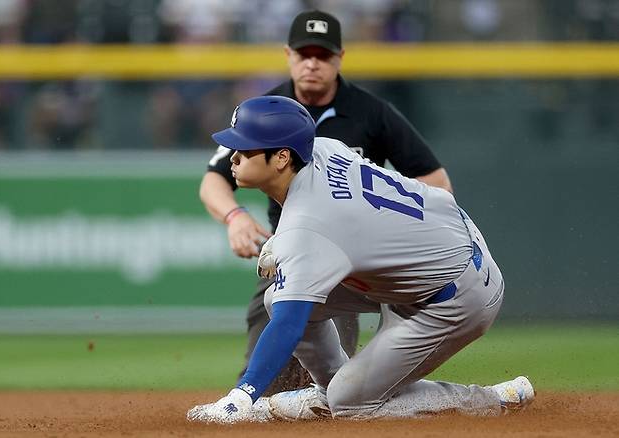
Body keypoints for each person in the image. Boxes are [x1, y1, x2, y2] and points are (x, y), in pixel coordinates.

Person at [188, 96, 534, 423]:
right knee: (275, 296)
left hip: (455, 296)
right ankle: (330, 391)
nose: (233, 157)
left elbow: (288, 325)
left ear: (281, 158)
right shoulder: (323, 147)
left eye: (246, 149)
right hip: (444, 240)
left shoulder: (308, 229)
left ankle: (492, 399)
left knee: (351, 404)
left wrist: (241, 397)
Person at [199, 10, 452, 393]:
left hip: (346, 262)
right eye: (304, 54)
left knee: (331, 384)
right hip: (287, 255)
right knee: (265, 376)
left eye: (323, 54)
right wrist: (235, 217)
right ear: (288, 55)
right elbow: (213, 180)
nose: (312, 63)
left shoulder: (371, 112)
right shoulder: (262, 110)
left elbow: (436, 184)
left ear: (340, 58)